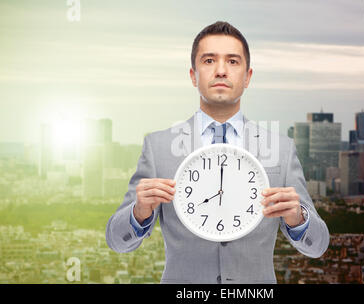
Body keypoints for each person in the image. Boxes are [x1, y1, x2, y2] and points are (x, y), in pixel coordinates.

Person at [106, 21, 329, 284]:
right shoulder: (159, 147)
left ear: (247, 77)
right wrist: (139, 212)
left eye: (233, 62)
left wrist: (298, 217)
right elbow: (117, 242)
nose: (221, 71)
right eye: (209, 60)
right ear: (193, 75)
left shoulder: (280, 149)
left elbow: (317, 246)